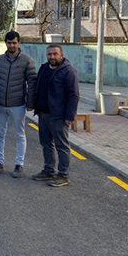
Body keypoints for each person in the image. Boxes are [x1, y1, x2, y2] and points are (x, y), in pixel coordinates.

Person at [0, 30, 37, 178]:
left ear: (19, 43)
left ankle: (19, 164)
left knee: (19, 134)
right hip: (0, 104)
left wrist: (30, 103)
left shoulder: (27, 60)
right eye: (9, 43)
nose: (12, 45)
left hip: (17, 104)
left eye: (14, 43)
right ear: (5, 43)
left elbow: (32, 82)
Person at [32, 44, 80, 187]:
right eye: (49, 54)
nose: (52, 57)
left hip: (59, 117)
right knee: (46, 145)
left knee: (62, 146)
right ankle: (49, 171)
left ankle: (63, 175)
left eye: (55, 54)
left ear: (61, 55)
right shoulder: (44, 68)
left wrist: (70, 116)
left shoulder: (68, 71)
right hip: (43, 114)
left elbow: (74, 95)